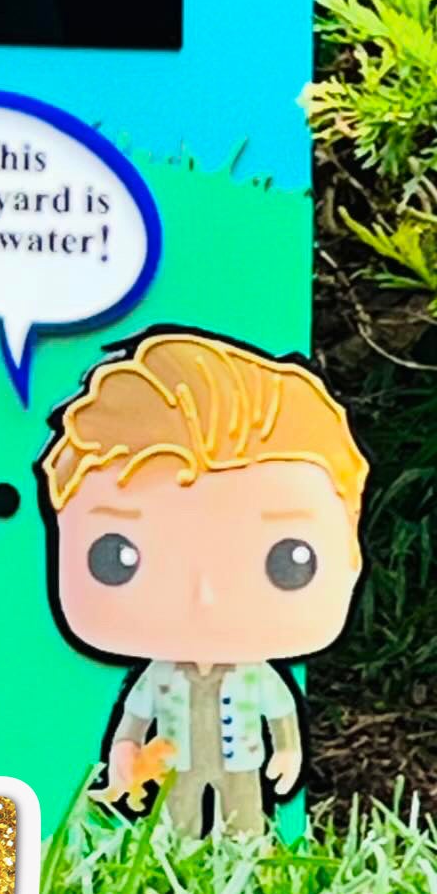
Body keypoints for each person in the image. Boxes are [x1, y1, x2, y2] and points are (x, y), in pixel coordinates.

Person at [39, 329, 368, 837]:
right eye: (116, 559)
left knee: (245, 820)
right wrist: (124, 753)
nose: (205, 598)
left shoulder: (258, 677)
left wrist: (287, 751)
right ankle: (179, 857)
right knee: (180, 822)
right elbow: (132, 723)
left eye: (289, 561)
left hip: (243, 765)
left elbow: (283, 716)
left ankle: (248, 851)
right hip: (176, 764)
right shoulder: (158, 677)